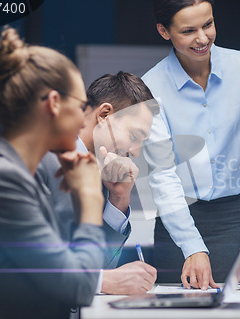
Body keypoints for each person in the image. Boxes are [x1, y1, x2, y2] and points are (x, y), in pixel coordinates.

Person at [0, 27, 105, 319]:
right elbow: (78, 286)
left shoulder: (19, 174)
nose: (83, 119)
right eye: (81, 106)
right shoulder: (1, 180)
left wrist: (81, 199)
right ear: (54, 103)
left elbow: (63, 267)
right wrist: (92, 197)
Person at [142, 0, 240, 286]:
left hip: (237, 221)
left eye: (208, 24)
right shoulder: (151, 86)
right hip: (176, 223)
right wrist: (191, 245)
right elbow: (162, 174)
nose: (203, 38)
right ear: (164, 31)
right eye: (189, 30)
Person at [37, 72, 159, 295]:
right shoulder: (41, 158)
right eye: (134, 135)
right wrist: (102, 281)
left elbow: (101, 266)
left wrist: (119, 198)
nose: (135, 151)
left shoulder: (102, 176)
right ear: (104, 114)